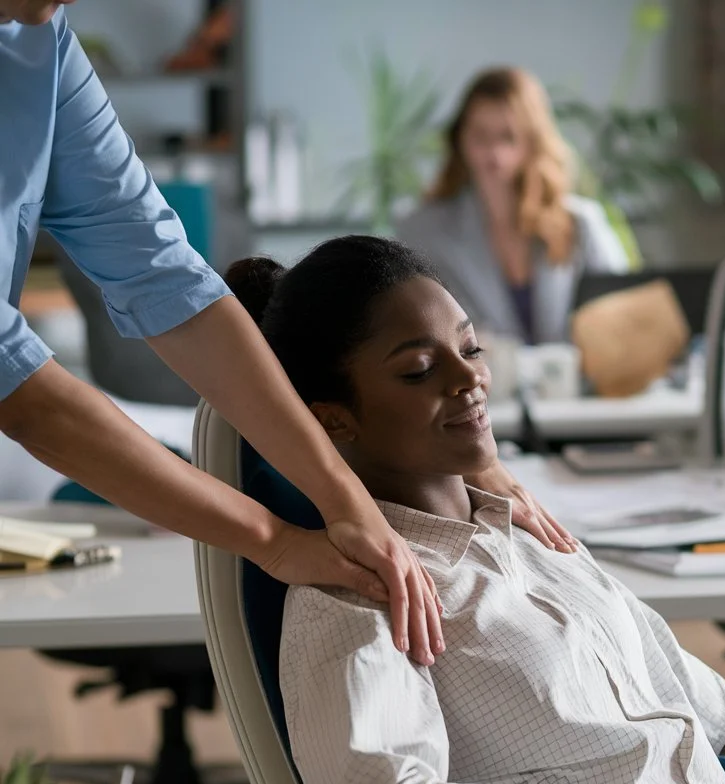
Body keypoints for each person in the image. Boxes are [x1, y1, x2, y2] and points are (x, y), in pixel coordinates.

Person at [0, 1, 573, 668]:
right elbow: (21, 389)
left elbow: (166, 278)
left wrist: (342, 498)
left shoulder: (40, 41)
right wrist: (273, 537)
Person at [224, 235, 725, 784]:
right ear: (333, 417)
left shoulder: (538, 541)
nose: (469, 378)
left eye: (470, 347)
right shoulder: (359, 592)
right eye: (419, 370)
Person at [396, 67, 628, 347]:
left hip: (574, 387)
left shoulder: (581, 223)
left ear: (532, 141)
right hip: (475, 388)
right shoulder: (422, 230)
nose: (494, 153)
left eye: (508, 136)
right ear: (460, 139)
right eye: (480, 135)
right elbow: (406, 328)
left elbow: (623, 316)